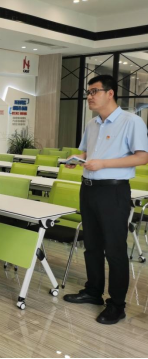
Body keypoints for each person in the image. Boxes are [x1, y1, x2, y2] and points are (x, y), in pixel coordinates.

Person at [63, 75, 148, 325]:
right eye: (88, 92)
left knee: (114, 249)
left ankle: (117, 305)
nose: (89, 97)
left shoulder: (131, 121)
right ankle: (93, 291)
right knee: (92, 245)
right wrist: (77, 159)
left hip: (113, 191)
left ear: (110, 93)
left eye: (94, 91)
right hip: (88, 189)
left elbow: (142, 157)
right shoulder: (92, 124)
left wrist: (104, 164)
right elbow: (87, 152)